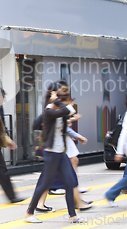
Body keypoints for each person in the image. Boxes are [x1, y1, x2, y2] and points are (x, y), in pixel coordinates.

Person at [23, 86, 85, 224]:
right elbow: (66, 110)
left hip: (60, 152)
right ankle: (29, 212)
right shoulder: (49, 111)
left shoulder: (59, 111)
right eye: (66, 101)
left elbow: (69, 112)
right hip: (51, 153)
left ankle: (72, 215)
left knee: (70, 182)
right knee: (45, 184)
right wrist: (57, 101)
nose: (69, 104)